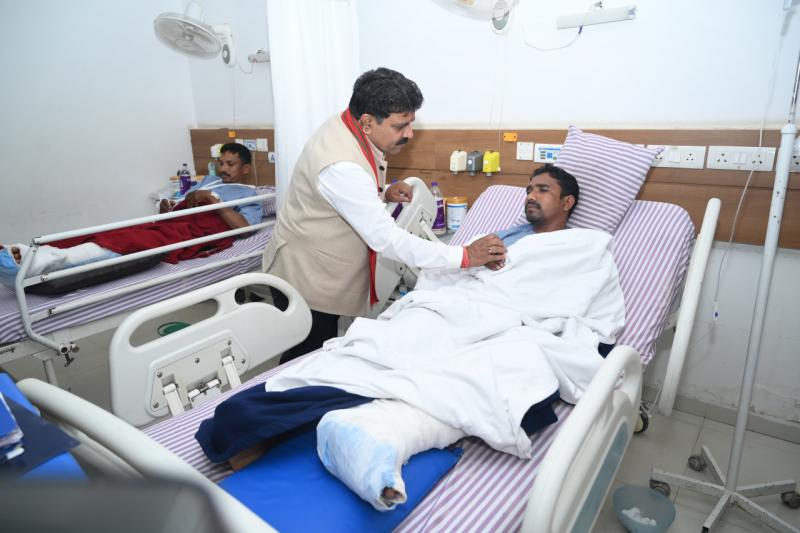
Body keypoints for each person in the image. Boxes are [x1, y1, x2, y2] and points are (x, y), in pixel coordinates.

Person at [262, 67, 506, 362]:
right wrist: (463, 256)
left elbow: (346, 191)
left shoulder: (347, 125)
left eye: (411, 123)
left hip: (319, 267)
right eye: (400, 126)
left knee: (318, 353)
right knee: (304, 360)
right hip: (306, 277)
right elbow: (385, 238)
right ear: (367, 122)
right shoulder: (340, 165)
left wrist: (383, 191)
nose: (409, 134)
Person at [0, 143, 263, 289]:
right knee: (113, 233)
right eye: (221, 163)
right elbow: (184, 205)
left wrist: (214, 202)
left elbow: (244, 228)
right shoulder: (208, 180)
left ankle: (37, 262)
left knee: (126, 243)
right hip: (172, 224)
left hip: (187, 234)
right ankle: (35, 252)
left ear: (246, 169)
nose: (223, 168)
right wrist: (173, 206)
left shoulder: (249, 194)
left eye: (231, 164)